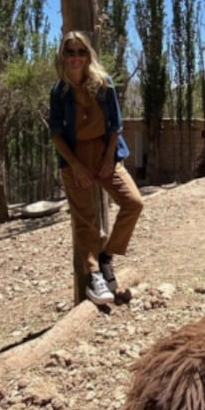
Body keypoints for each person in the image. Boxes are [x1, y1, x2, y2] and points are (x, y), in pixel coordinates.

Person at [49, 31, 143, 307]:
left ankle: (107, 257)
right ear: (62, 56)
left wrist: (107, 158)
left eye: (81, 51)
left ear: (89, 55)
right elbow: (56, 133)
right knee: (85, 220)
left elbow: (115, 125)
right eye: (70, 52)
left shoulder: (104, 85)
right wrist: (76, 166)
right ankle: (94, 276)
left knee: (133, 203)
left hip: (106, 155)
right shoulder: (59, 91)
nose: (76, 57)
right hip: (75, 160)